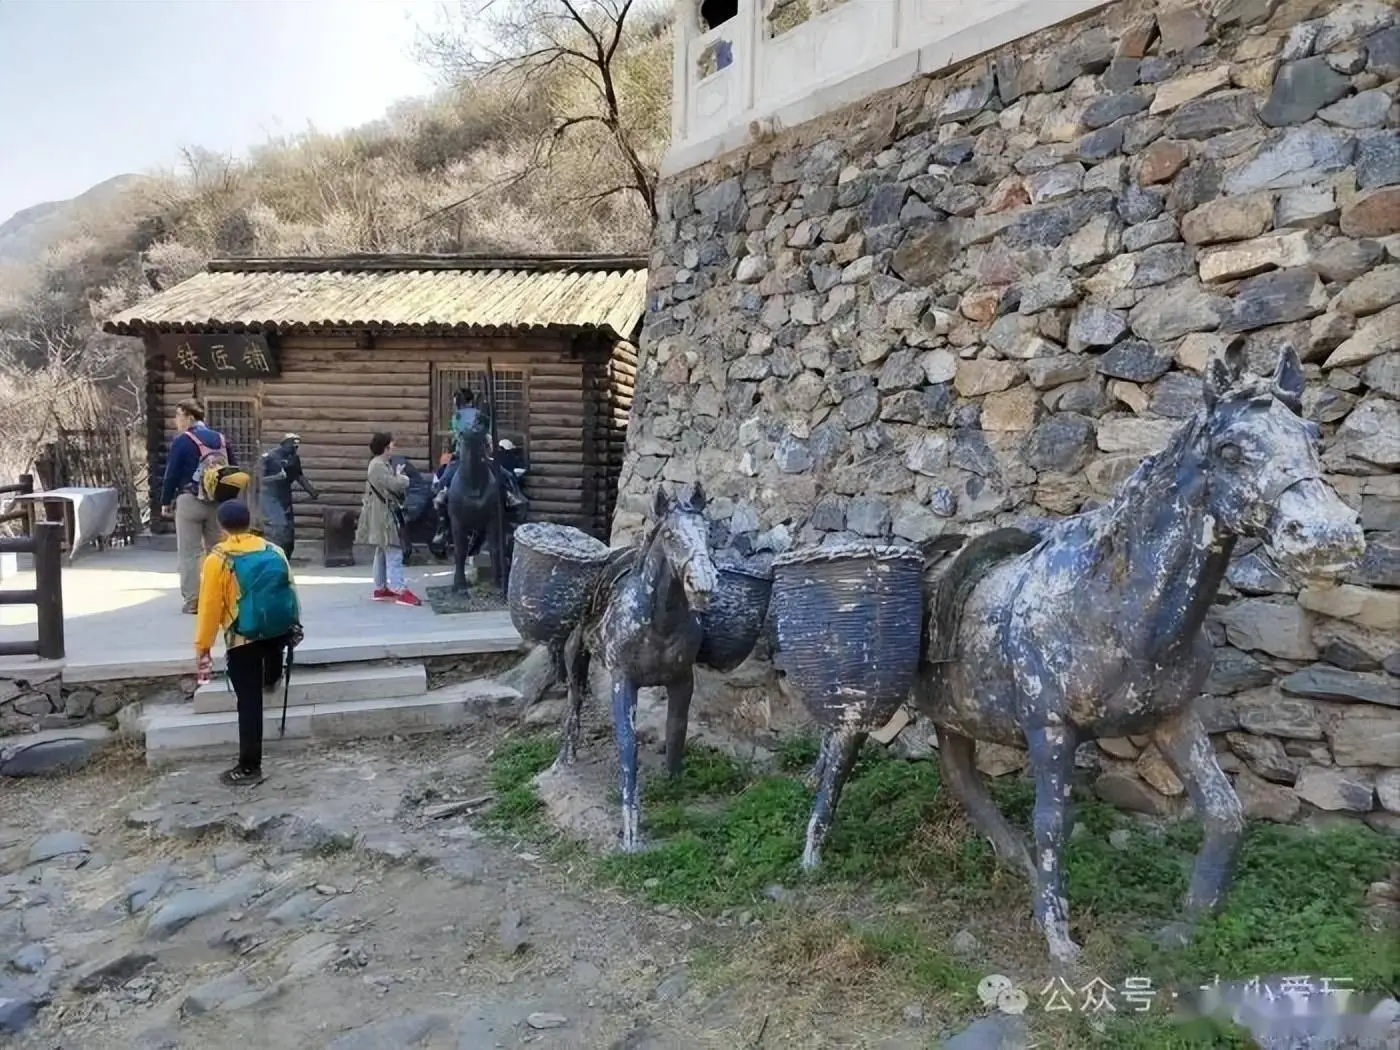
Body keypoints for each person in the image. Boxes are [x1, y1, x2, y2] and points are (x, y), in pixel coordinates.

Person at [194, 500, 301, 787]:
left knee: (249, 701)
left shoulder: (218, 559)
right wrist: (294, 623)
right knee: (270, 659)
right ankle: (272, 677)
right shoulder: (273, 550)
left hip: (243, 637)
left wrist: (203, 646)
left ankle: (249, 766)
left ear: (221, 526)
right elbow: (290, 589)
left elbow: (209, 608)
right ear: (249, 520)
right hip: (277, 630)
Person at [161, 400, 248, 614]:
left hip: (189, 501)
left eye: (179, 416)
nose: (176, 421)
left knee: (189, 554)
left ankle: (193, 602)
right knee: (218, 552)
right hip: (217, 503)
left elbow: (171, 473)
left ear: (190, 417)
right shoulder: (220, 439)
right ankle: (222, 597)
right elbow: (232, 470)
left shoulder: (183, 441)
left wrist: (165, 501)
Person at [356, 432, 421, 607]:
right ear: (385, 447)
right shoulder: (378, 465)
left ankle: (380, 588)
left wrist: (396, 475)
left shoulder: (379, 463)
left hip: (380, 512)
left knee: (382, 551)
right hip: (384, 515)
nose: (393, 447)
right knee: (394, 550)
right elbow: (394, 485)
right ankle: (400, 589)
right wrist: (403, 478)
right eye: (391, 445)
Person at [260, 434, 319, 558]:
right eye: (292, 446)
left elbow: (299, 476)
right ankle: (274, 556)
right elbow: (259, 480)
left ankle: (286, 556)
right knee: (279, 527)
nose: (295, 449)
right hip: (270, 498)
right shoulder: (269, 457)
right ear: (284, 444)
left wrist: (311, 490)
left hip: (285, 497)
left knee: (289, 529)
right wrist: (276, 478)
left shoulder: (294, 458)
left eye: (296, 446)